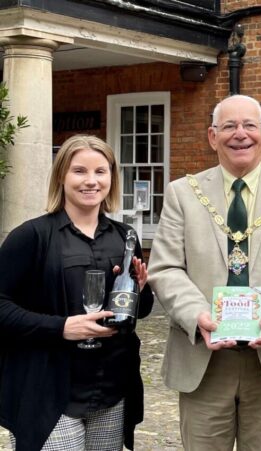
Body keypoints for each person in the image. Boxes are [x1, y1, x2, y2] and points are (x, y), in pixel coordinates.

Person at [147, 94, 261, 450]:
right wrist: (196, 315)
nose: (239, 134)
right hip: (204, 358)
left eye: (249, 125)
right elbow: (165, 267)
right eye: (229, 126)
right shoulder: (183, 193)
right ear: (213, 137)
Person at [0, 134, 153, 450]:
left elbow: (140, 310)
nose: (91, 181)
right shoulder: (32, 236)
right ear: (61, 177)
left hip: (110, 388)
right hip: (49, 390)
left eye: (101, 171)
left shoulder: (126, 237)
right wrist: (62, 327)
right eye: (80, 171)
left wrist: (141, 289)